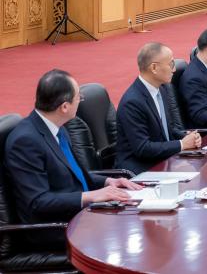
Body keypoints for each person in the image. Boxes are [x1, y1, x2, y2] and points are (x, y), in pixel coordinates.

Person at [4, 70, 142, 249]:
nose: (80, 101)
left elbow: (73, 174)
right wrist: (90, 196)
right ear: (64, 107)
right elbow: (38, 202)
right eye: (79, 98)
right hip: (54, 227)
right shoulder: (25, 141)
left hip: (79, 214)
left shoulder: (57, 127)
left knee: (137, 214)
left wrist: (108, 181)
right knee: (130, 232)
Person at [115, 43, 203, 175]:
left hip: (163, 160)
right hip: (140, 169)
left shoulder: (162, 89)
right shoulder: (132, 102)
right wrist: (181, 144)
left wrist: (188, 137)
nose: (174, 70)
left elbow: (168, 129)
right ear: (154, 68)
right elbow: (142, 148)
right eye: (171, 64)